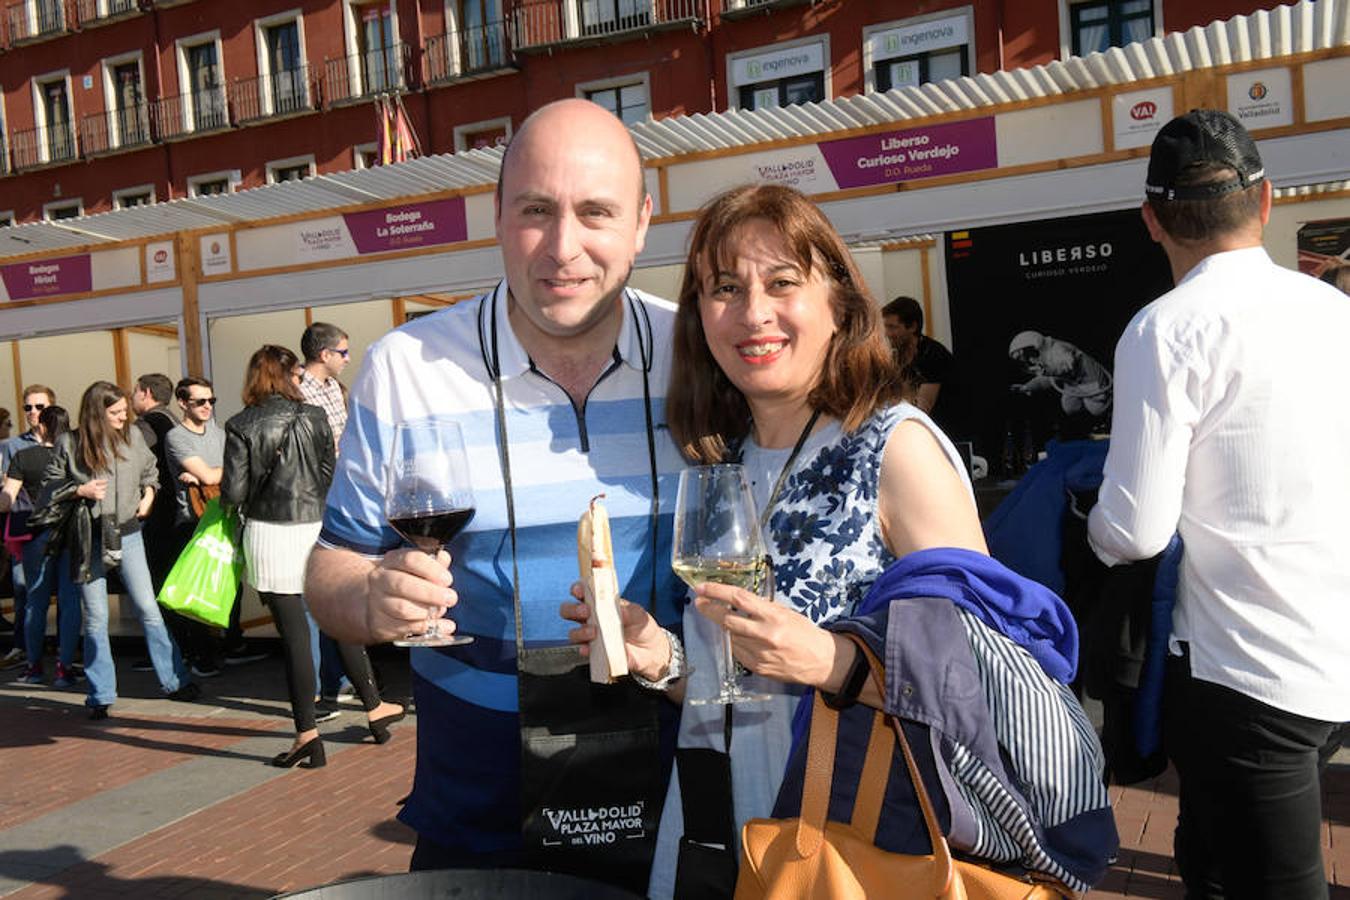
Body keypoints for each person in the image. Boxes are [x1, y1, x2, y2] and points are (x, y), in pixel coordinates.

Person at [563, 184, 1115, 898]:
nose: (753, 311)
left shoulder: (894, 448)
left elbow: (984, 684)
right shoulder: (717, 463)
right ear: (700, 318)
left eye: (782, 282)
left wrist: (832, 661)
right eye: (725, 288)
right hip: (711, 831)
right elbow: (729, 691)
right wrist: (660, 658)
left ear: (840, 307)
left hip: (849, 847)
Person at [305, 99, 685, 891]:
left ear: (644, 221)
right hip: (479, 817)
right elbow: (330, 568)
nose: (563, 247)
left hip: (687, 807)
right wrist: (371, 594)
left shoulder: (701, 354)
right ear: (497, 216)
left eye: (597, 212)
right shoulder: (406, 366)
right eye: (536, 211)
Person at [1088, 109, 1350, 900]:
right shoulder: (1335, 311)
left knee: (1268, 879)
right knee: (1206, 858)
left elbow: (1134, 531)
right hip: (1330, 645)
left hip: (1243, 670)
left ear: (1151, 220)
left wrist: (1085, 525)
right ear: (1267, 201)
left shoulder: (1164, 330)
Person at [222, 345, 404, 769]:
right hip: (316, 528)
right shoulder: (315, 417)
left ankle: (307, 735)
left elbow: (233, 492)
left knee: (296, 641)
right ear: (290, 376)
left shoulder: (240, 424)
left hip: (269, 535)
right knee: (338, 621)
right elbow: (328, 475)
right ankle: (374, 708)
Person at [42, 381, 197, 719]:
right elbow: (50, 486)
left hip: (128, 531)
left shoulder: (133, 437)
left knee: (148, 607)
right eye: (115, 412)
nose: (123, 417)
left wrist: (149, 494)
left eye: (125, 411)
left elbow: (150, 471)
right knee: (96, 617)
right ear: (97, 413)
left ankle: (175, 680)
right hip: (88, 536)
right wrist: (79, 489)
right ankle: (101, 695)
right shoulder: (70, 442)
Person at [297, 321, 357, 719]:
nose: (348, 359)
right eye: (343, 352)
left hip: (338, 499)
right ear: (324, 354)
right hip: (309, 505)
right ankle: (320, 689)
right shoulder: (298, 391)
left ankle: (341, 677)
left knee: (337, 589)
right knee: (313, 594)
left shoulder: (336, 389)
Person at [1, 406, 81, 687]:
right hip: (71, 533)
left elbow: (6, 499)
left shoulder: (24, 456)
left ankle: (34, 668)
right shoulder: (77, 453)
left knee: (36, 600)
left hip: (37, 535)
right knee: (71, 602)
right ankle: (65, 668)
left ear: (43, 428)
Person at [0, 384, 55, 670]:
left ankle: (63, 651)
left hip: (57, 526)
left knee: (64, 591)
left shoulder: (64, 442)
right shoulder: (12, 446)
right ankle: (23, 647)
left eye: (40, 406)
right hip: (23, 527)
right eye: (28, 407)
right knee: (23, 589)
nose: (34, 412)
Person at [881, 295, 954, 423]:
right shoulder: (897, 356)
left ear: (913, 327)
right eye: (886, 327)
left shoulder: (933, 355)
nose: (887, 333)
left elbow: (922, 408)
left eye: (893, 327)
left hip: (944, 430)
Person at [1008, 330, 1113, 417]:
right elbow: (1046, 380)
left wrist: (1048, 371)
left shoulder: (1057, 348)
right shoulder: (1042, 358)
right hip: (1072, 383)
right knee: (1070, 407)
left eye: (1023, 355)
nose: (1026, 359)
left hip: (1088, 377)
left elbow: (1067, 365)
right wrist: (1027, 387)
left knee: (1097, 409)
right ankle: (1088, 423)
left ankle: (1111, 410)